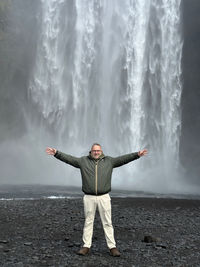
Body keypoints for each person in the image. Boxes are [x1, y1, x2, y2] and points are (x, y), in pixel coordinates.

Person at [46, 143, 147, 257]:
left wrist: (137, 155)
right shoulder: (83, 161)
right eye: (94, 150)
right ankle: (86, 246)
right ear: (91, 151)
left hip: (104, 197)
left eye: (98, 150)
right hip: (89, 197)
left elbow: (123, 159)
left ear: (101, 151)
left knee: (107, 222)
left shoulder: (109, 161)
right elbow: (69, 159)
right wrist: (56, 153)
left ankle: (112, 247)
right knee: (88, 222)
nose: (96, 152)